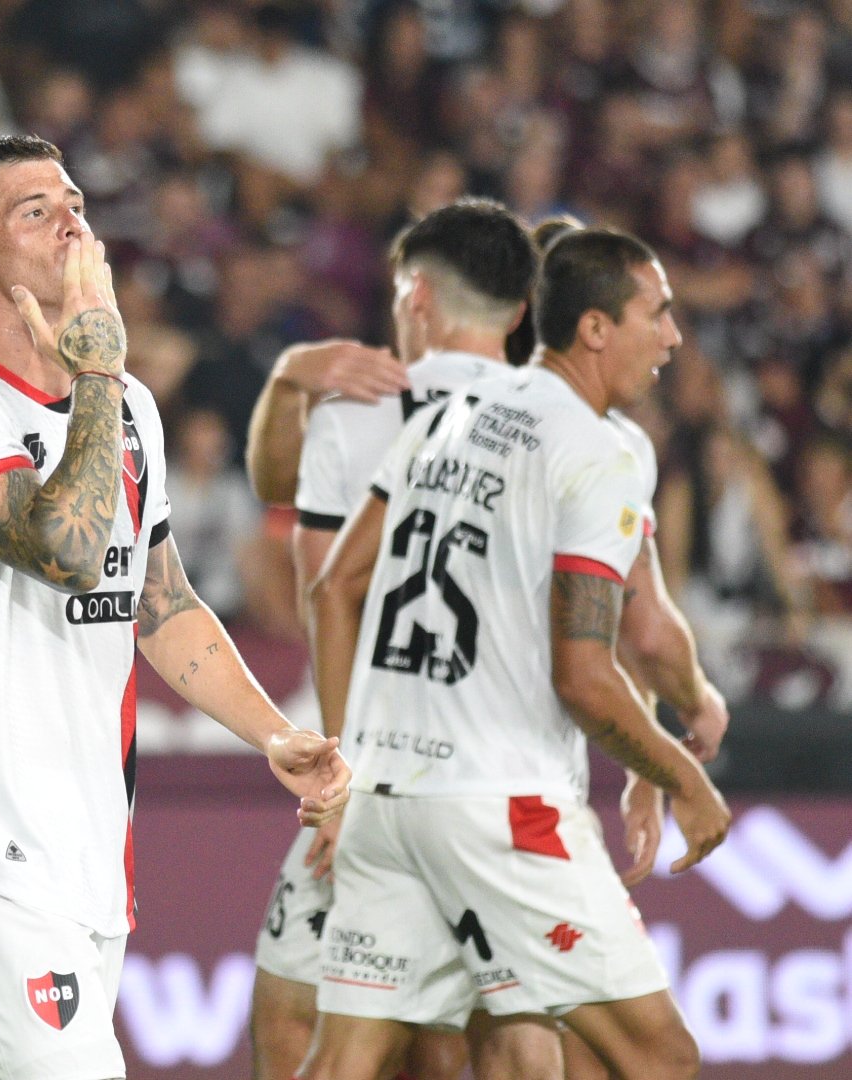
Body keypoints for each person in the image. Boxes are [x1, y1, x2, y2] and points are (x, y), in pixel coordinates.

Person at [0, 134, 351, 1080]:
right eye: (35, 210)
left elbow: (159, 602)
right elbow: (67, 551)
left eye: (75, 202)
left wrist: (274, 733)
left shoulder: (127, 408)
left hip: (84, 845)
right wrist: (98, 374)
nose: (73, 223)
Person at [246, 207, 730, 1080]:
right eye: (658, 314)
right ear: (592, 326)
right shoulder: (603, 448)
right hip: (501, 799)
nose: (673, 336)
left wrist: (348, 760)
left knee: (336, 1056)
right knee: (646, 1054)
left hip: (386, 796)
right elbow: (595, 666)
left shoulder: (443, 416)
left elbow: (332, 583)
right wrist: (682, 775)